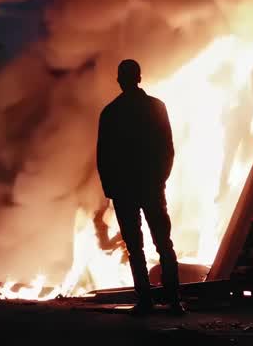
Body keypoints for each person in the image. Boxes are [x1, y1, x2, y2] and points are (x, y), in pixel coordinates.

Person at [96, 58, 185, 315]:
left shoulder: (111, 112)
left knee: (135, 247)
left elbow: (104, 156)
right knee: (163, 243)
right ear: (140, 78)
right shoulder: (156, 107)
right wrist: (160, 179)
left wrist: (111, 188)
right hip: (150, 186)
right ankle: (174, 300)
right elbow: (167, 148)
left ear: (120, 80)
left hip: (125, 189)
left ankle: (145, 300)